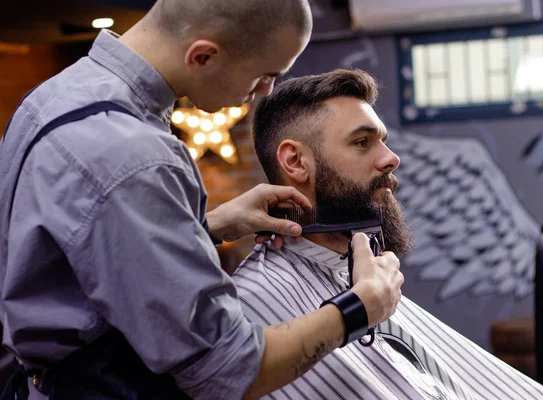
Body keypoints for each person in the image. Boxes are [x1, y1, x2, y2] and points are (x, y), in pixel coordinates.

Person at [0, 1, 404, 399]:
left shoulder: (55, 97)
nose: (267, 90)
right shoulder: (135, 155)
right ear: (204, 55)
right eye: (265, 74)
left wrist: (207, 226)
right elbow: (228, 372)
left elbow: (81, 253)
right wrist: (359, 306)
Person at [232, 69, 543, 399]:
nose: (392, 159)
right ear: (295, 162)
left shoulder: (359, 271)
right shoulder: (253, 299)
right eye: (362, 142)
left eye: (383, 142)